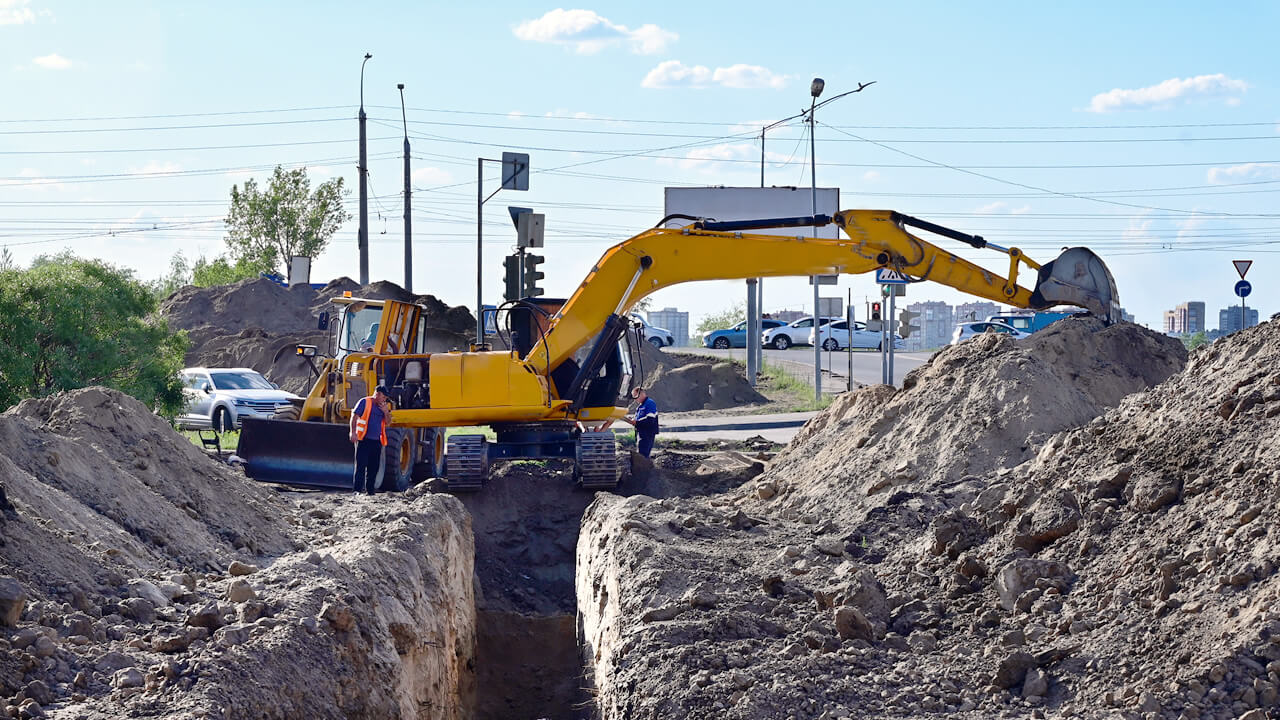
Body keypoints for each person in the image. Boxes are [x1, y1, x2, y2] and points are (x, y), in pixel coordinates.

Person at [348, 385, 391, 495]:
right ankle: (357, 490)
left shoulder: (384, 406)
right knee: (361, 466)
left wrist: (386, 412)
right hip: (363, 440)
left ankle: (370, 491)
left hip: (377, 441)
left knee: (374, 468)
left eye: (385, 398)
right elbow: (354, 417)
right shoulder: (364, 402)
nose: (384, 399)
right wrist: (353, 432)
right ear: (377, 394)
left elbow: (388, 422)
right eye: (383, 397)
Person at [624, 386, 659, 458]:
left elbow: (650, 419)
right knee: (641, 453)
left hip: (647, 433)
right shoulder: (641, 405)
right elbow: (641, 417)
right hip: (642, 432)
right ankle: (644, 467)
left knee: (643, 454)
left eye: (635, 396)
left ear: (641, 394)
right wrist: (634, 419)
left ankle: (644, 468)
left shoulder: (649, 403)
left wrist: (636, 422)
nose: (635, 399)